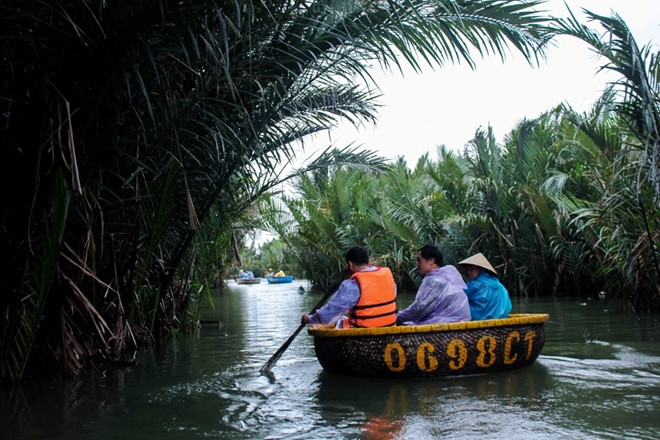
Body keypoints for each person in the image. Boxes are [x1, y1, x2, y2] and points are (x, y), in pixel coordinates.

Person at [302, 247, 397, 328]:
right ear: (369, 262)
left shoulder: (352, 284)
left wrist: (309, 319)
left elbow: (329, 315)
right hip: (389, 327)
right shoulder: (388, 277)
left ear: (350, 265)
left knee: (338, 320)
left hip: (362, 334)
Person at [396, 244, 471, 325]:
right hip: (456, 320)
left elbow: (420, 309)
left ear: (431, 260)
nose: (417, 264)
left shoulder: (437, 281)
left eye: (419, 260)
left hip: (448, 322)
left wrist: (396, 317)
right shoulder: (445, 276)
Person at [457, 253, 512, 320]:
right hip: (501, 318)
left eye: (472, 269)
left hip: (480, 319)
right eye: (468, 269)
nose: (469, 272)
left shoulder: (475, 284)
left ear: (481, 270)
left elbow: (458, 298)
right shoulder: (500, 285)